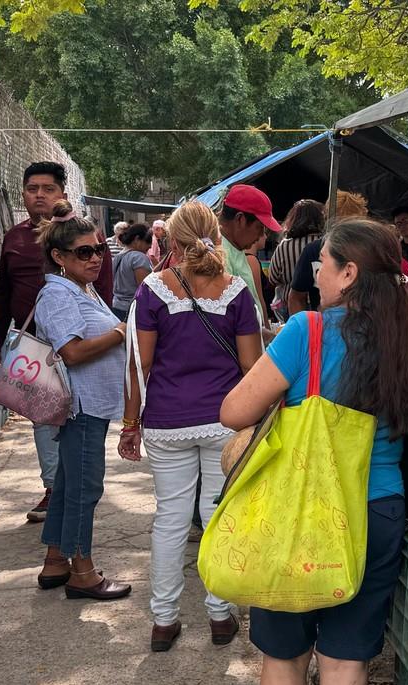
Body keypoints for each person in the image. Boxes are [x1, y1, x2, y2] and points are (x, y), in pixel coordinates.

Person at [220, 218, 408, 685]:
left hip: (299, 517)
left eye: (323, 263)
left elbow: (234, 411)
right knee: (347, 663)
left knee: (284, 658)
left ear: (348, 273)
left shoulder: (305, 332)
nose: (313, 271)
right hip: (377, 512)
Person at [118, 201, 263, 651]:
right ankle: (220, 616)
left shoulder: (151, 293)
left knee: (170, 521)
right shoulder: (236, 291)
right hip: (225, 421)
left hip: (166, 423)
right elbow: (252, 366)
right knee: (218, 516)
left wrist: (129, 424)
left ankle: (163, 622)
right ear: (215, 237)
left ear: (170, 243)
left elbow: (138, 366)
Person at [0, 161, 115, 523]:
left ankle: (67, 489)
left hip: (77, 340)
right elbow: (2, 290)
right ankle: (54, 488)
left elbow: (100, 288)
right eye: (33, 189)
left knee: (75, 418)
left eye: (48, 189)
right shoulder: (14, 238)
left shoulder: (81, 235)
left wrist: (104, 329)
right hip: (35, 346)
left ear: (62, 194)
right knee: (43, 417)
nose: (40, 195)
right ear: (24, 194)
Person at [33, 200, 131, 601]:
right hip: (79, 406)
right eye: (84, 252)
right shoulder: (58, 294)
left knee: (70, 482)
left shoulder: (81, 289)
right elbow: (71, 351)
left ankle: (56, 560)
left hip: (88, 404)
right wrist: (121, 333)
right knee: (85, 488)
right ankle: (83, 571)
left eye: (99, 249)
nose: (95, 258)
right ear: (59, 257)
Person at [288, 191, 370, 316]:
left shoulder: (370, 251)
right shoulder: (314, 251)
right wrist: (306, 328)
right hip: (325, 327)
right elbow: (296, 297)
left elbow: (296, 297)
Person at [218, 184, 281, 321]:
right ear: (240, 219)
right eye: (259, 228)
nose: (261, 236)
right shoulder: (219, 254)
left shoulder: (235, 247)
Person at [269, 199, 325, 321]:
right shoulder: (324, 244)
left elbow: (273, 278)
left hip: (290, 306)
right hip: (320, 303)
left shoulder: (284, 246)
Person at [111, 221, 153, 320]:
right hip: (133, 310)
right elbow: (144, 290)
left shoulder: (118, 256)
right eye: (147, 242)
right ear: (137, 239)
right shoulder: (138, 257)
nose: (150, 246)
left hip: (117, 307)